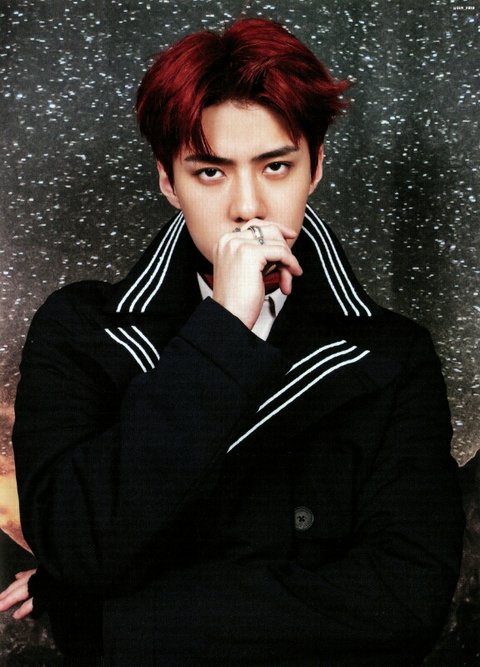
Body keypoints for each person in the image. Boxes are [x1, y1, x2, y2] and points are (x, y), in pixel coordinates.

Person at [0, 17, 464, 667]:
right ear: (169, 181)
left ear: (316, 168)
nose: (248, 207)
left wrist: (108, 614)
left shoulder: (392, 356)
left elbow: (403, 604)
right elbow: (80, 546)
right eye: (211, 172)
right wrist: (223, 327)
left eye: (276, 166)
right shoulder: (80, 329)